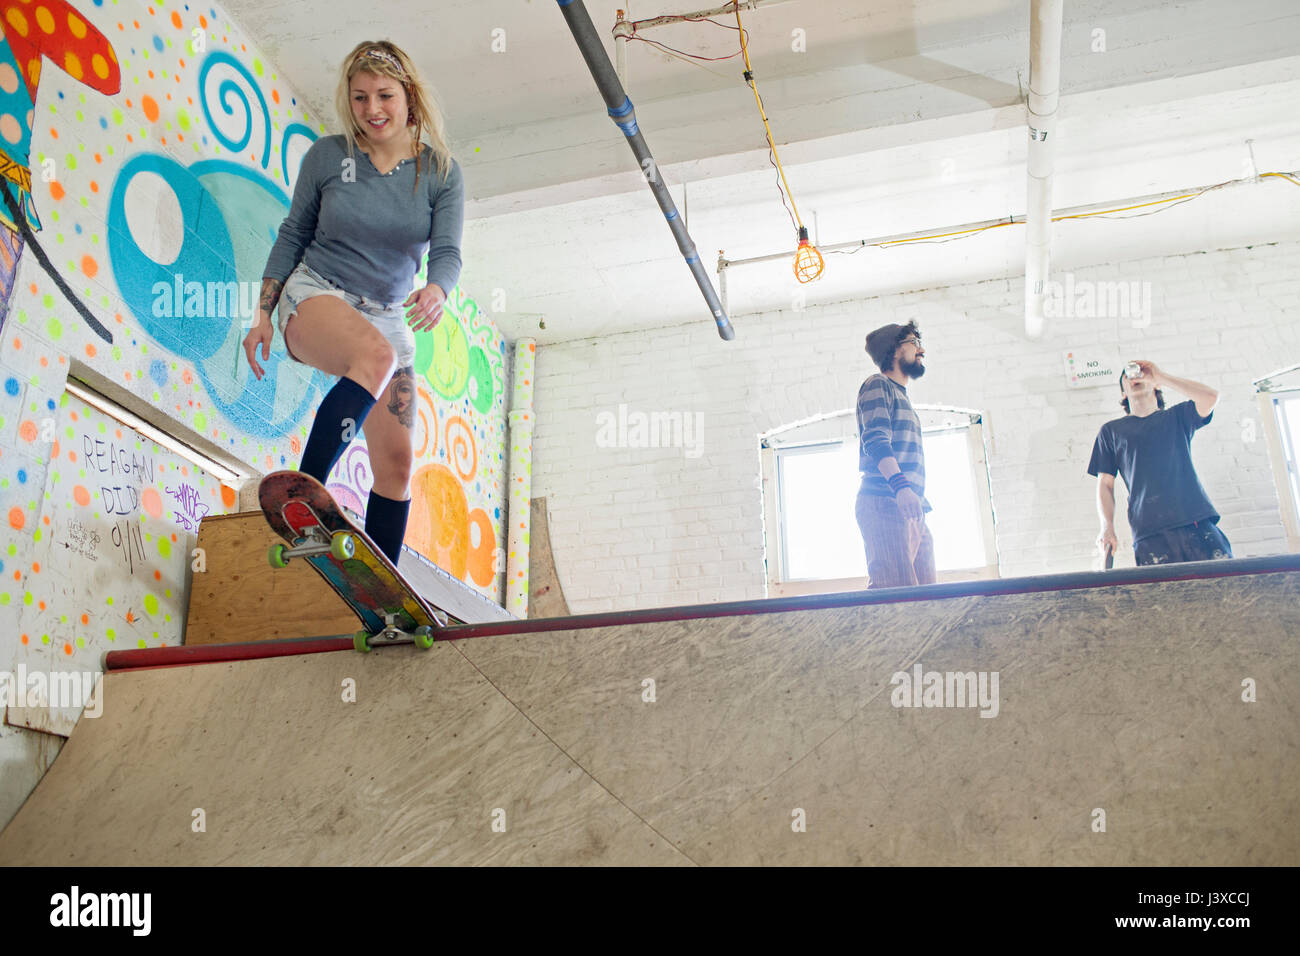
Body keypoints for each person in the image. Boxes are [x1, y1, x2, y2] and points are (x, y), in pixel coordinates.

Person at [242, 41, 465, 565]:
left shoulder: (441, 172)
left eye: (384, 95)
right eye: (360, 97)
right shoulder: (328, 156)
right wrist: (262, 315)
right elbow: (293, 233)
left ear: (409, 96)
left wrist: (437, 288)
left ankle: (384, 589)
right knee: (376, 356)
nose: (372, 109)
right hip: (317, 293)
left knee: (397, 463)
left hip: (388, 318)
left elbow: (449, 253)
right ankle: (302, 496)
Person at [1088, 360, 1231, 566]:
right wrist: (1107, 526)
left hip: (1195, 521)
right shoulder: (1111, 432)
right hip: (1149, 532)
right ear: (1123, 393)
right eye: (1127, 377)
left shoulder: (1177, 416)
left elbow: (1211, 397)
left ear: (1156, 385)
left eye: (1141, 375)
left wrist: (1161, 376)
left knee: (1225, 590)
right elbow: (1105, 484)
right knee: (1164, 597)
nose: (1134, 378)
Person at [855, 321, 936, 588]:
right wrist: (901, 488)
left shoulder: (903, 398)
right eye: (914, 342)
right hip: (885, 501)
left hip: (911, 508)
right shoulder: (878, 385)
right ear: (894, 350)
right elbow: (876, 440)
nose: (921, 349)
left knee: (928, 598)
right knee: (894, 595)